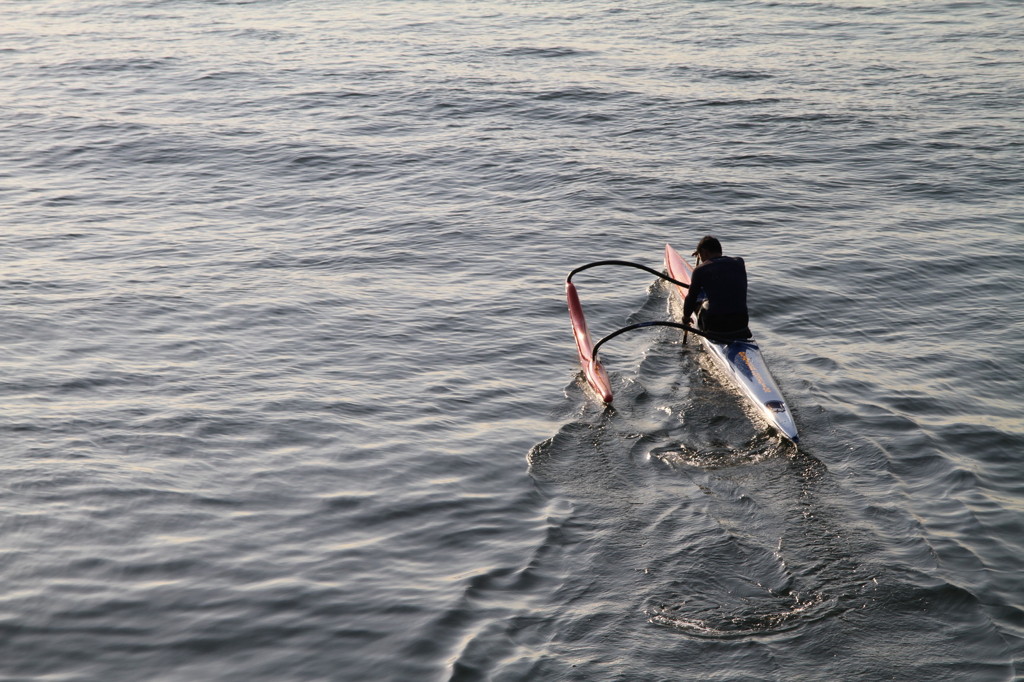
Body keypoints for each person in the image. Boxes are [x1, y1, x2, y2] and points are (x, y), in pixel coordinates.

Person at [682, 235, 752, 339]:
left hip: (716, 328)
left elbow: (691, 299)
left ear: (704, 252)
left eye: (700, 256)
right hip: (741, 324)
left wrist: (686, 319)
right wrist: (701, 252)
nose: (701, 260)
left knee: (702, 302)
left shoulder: (700, 270)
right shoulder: (739, 262)